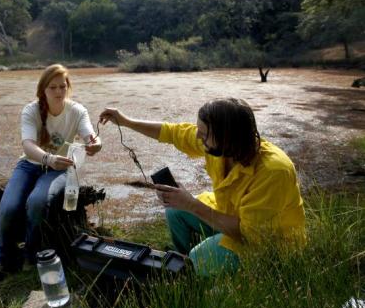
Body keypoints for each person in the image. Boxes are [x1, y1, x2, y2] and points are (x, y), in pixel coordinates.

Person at [99, 98, 306, 276]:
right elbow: (170, 132)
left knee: (199, 255)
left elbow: (248, 234)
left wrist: (191, 204)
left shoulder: (273, 171)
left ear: (228, 137)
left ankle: (194, 269)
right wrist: (125, 121)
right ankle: (185, 265)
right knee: (174, 210)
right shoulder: (219, 143)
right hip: (229, 214)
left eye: (204, 133)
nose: (198, 138)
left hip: (269, 244)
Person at [0, 64, 101, 278]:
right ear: (43, 90)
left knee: (37, 202)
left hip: (60, 169)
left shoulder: (77, 111)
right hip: (29, 165)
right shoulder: (31, 110)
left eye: (63, 86)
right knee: (7, 208)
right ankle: (3, 257)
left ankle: (30, 256)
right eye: (53, 87)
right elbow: (28, 145)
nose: (59, 92)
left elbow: (91, 136)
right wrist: (48, 158)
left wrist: (96, 144)